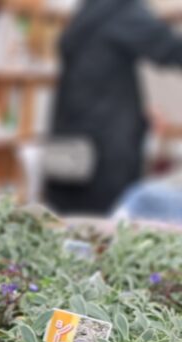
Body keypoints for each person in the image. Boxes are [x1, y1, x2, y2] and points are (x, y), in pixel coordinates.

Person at [46, 0, 182, 215]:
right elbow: (172, 49)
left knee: (70, 222)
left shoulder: (89, 12)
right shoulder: (124, 11)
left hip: (70, 142)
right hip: (105, 152)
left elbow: (99, 76)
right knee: (108, 224)